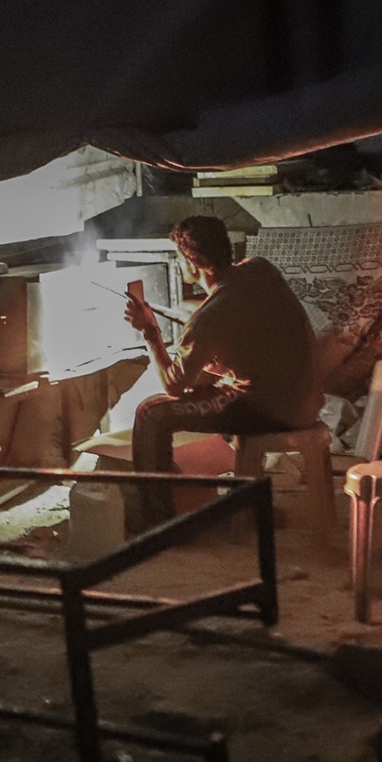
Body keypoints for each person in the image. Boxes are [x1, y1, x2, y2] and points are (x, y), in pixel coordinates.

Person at [121, 215, 321, 531]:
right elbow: (257, 340)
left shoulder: (208, 318)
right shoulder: (260, 269)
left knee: (151, 413)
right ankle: (233, 504)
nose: (177, 265)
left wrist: (150, 332)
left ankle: (158, 525)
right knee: (209, 388)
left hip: (272, 410)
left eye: (179, 258)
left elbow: (173, 385)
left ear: (195, 262)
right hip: (307, 401)